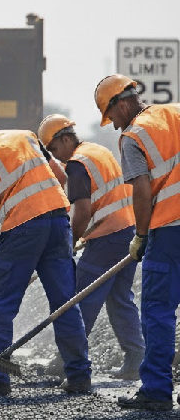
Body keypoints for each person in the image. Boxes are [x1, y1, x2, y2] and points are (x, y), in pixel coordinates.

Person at [0, 102, 91, 395]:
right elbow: (61, 178)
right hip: (58, 223)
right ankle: (79, 376)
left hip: (24, 228)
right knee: (64, 302)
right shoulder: (26, 136)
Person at [94, 74, 180, 412]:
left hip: (169, 231)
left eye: (110, 115)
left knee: (158, 311)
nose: (113, 125)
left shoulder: (134, 136)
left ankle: (157, 391)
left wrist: (141, 235)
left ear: (122, 103)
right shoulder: (174, 113)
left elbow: (142, 191)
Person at [38, 114, 144, 380]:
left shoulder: (77, 163)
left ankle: (66, 361)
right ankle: (136, 362)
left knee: (79, 298)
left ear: (64, 139)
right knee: (120, 299)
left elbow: (82, 210)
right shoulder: (97, 150)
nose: (57, 156)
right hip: (126, 231)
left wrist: (69, 243)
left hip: (108, 237)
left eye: (54, 149)